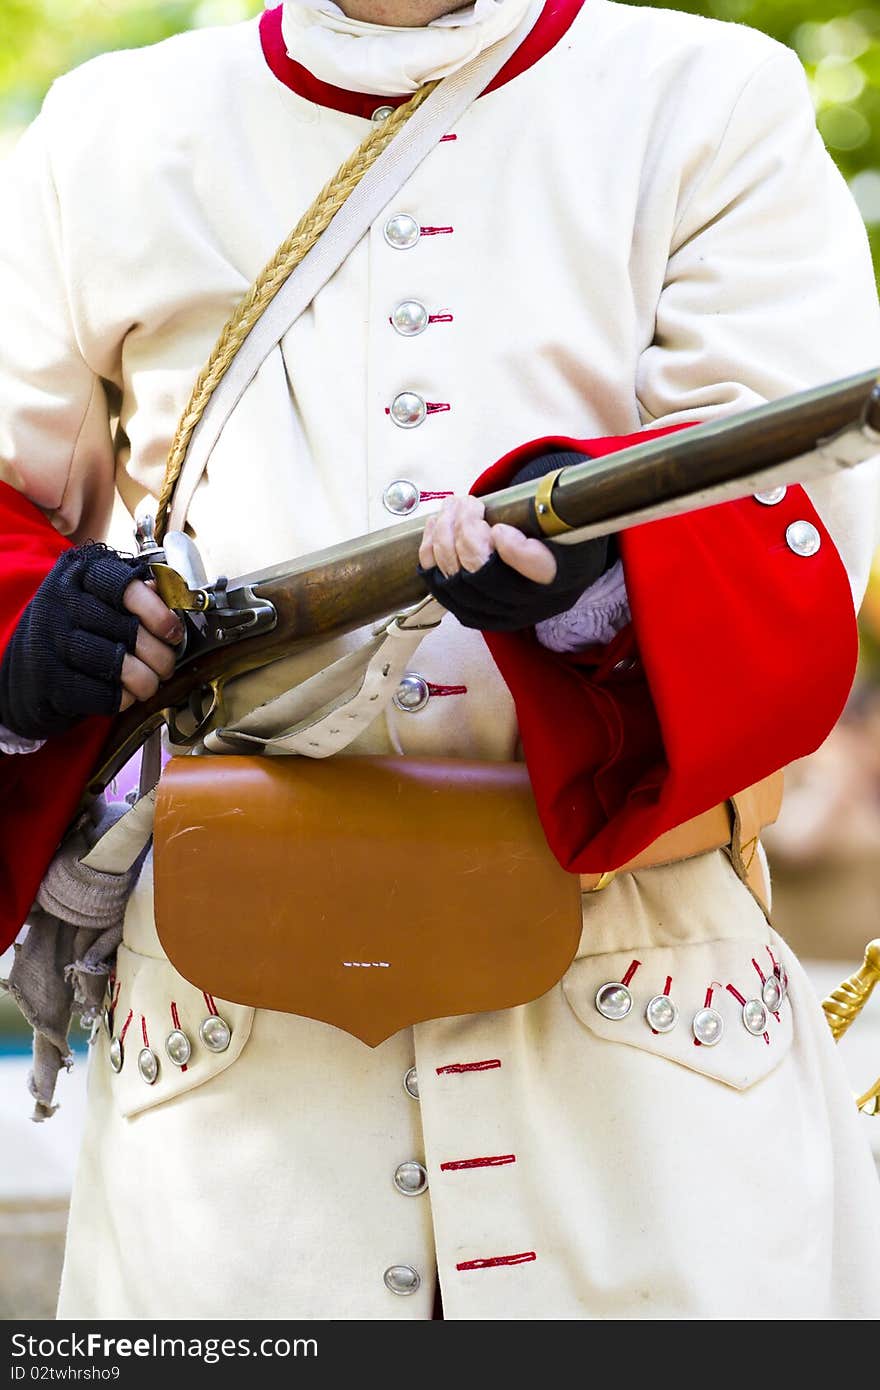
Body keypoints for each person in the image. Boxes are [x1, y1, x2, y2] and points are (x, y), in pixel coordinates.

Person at [0, 0, 879, 1321]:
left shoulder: (711, 101)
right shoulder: (103, 137)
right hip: (230, 1089)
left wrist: (600, 591)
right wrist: (31, 631)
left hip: (647, 1074)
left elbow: (793, 538)